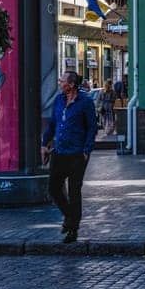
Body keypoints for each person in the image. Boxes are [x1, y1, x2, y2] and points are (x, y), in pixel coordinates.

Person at [42, 70, 97, 243]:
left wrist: (86, 150)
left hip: (77, 153)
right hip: (59, 151)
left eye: (62, 81)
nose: (60, 83)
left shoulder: (85, 102)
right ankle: (69, 217)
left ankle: (73, 229)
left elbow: (92, 128)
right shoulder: (59, 100)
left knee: (74, 191)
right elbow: (52, 124)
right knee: (53, 189)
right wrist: (45, 143)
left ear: (71, 84)